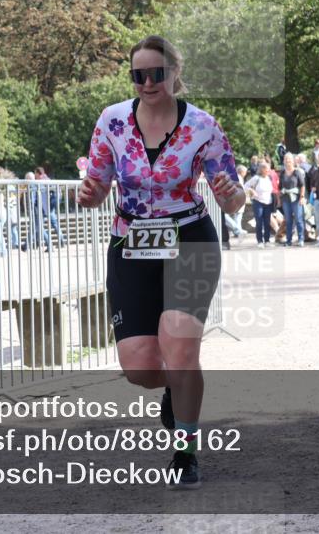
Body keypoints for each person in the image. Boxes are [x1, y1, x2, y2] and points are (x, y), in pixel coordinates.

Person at [77, 34, 243, 489]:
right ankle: (174, 388)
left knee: (182, 345)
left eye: (157, 73)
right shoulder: (111, 121)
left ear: (174, 73)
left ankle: (186, 450)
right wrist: (89, 194)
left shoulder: (203, 126)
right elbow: (94, 188)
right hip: (131, 242)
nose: (148, 82)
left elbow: (233, 196)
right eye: (139, 75)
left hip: (189, 238)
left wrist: (234, 196)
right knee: (141, 367)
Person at [244, 162, 275, 247]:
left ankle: (267, 240)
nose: (268, 170)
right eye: (267, 169)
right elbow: (245, 186)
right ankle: (260, 241)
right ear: (262, 170)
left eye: (269, 169)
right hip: (258, 202)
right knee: (259, 222)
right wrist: (252, 191)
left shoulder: (269, 178)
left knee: (267, 222)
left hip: (268, 202)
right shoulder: (256, 178)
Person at [279, 153, 306, 247]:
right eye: (286, 159)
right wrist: (280, 199)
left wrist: (302, 197)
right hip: (286, 199)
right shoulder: (282, 173)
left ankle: (301, 239)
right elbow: (280, 187)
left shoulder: (297, 172)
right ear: (284, 161)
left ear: (293, 161)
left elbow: (302, 186)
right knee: (288, 220)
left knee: (299, 219)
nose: (288, 161)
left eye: (289, 159)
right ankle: (288, 240)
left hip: (296, 199)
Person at [223, 165, 248, 241]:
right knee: (229, 216)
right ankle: (238, 230)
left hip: (232, 199)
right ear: (242, 172)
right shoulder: (238, 177)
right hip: (234, 199)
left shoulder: (236, 177)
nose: (246, 173)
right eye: (245, 172)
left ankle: (237, 231)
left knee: (237, 217)